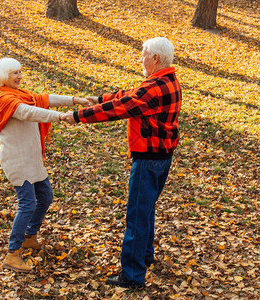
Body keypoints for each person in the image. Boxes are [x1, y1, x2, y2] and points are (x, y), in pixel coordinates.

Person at [62, 37, 182, 288]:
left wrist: (78, 116)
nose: (141, 58)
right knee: (146, 209)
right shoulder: (167, 81)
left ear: (155, 59)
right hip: (162, 157)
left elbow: (121, 108)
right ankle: (145, 256)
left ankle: (132, 275)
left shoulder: (155, 87)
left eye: (143, 54)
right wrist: (100, 98)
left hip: (149, 159)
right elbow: (127, 96)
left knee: (137, 215)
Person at [0, 57, 90, 273]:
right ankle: (12, 253)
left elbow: (44, 99)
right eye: (13, 73)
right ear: (3, 76)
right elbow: (29, 112)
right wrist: (61, 117)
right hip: (17, 159)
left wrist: (75, 100)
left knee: (45, 196)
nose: (18, 76)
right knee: (27, 203)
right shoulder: (5, 99)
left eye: (19, 72)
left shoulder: (21, 94)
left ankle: (29, 236)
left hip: (32, 157)